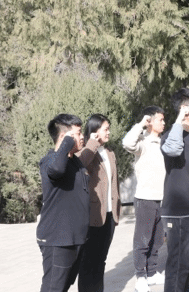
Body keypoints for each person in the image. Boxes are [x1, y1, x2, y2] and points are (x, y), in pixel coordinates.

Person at [36, 114, 89, 292]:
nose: (82, 137)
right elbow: (57, 169)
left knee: (63, 287)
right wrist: (67, 142)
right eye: (77, 133)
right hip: (57, 239)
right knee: (53, 288)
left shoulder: (75, 162)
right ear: (63, 137)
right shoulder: (49, 160)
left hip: (74, 238)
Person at [160, 88, 189, 292]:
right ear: (184, 109)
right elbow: (172, 149)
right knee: (178, 266)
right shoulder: (171, 136)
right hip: (178, 213)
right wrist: (179, 119)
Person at [122, 106, 167, 292]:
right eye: (160, 120)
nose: (163, 123)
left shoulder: (164, 142)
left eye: (164, 119)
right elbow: (127, 143)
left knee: (157, 239)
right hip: (145, 198)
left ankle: (152, 272)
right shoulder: (142, 142)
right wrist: (141, 124)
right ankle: (140, 276)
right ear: (150, 121)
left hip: (162, 198)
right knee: (143, 240)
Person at [75, 114, 121, 291]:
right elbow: (79, 164)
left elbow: (114, 183)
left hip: (109, 215)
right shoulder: (87, 151)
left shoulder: (109, 153)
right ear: (95, 131)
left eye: (109, 129)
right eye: (105, 129)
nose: (108, 132)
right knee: (88, 261)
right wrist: (92, 143)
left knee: (101, 259)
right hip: (92, 216)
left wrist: (116, 210)